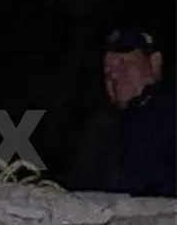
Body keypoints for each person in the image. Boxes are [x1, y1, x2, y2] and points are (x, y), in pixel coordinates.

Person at [63, 28, 177, 198]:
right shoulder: (99, 127)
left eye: (124, 63)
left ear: (155, 63)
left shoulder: (168, 111)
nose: (114, 75)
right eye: (107, 71)